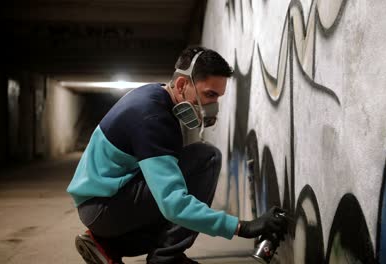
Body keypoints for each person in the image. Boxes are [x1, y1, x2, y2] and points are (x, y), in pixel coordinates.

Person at [67, 47, 288, 264]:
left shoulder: (155, 97)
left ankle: (108, 246)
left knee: (182, 195)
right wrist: (243, 227)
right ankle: (166, 258)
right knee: (206, 158)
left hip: (101, 203)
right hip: (103, 208)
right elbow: (173, 203)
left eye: (218, 97)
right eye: (209, 94)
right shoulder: (152, 118)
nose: (213, 106)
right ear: (182, 84)